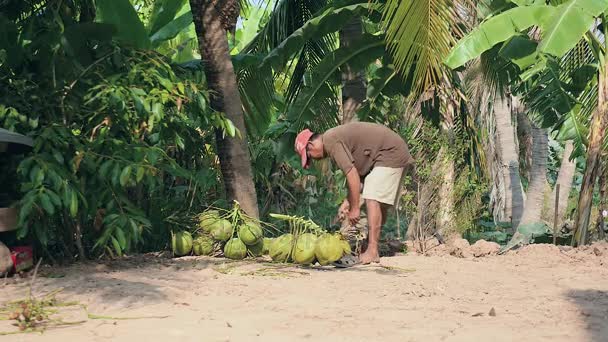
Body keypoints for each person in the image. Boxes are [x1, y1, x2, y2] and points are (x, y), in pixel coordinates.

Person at [294, 122, 415, 265]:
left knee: (373, 197)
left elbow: (352, 174)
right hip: (390, 152)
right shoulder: (332, 139)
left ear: (311, 145)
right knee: (378, 202)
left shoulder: (331, 141)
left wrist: (355, 208)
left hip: (391, 153)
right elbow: (358, 175)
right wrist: (348, 202)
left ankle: (372, 250)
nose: (312, 159)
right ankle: (370, 246)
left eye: (309, 156)